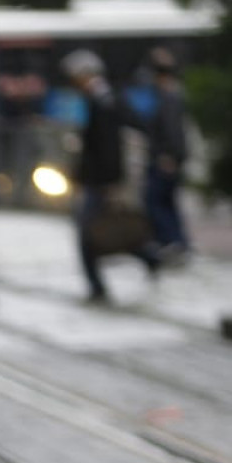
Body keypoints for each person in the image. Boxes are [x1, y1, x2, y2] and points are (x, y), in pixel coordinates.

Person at [62, 48, 159, 303]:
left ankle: (100, 285)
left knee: (90, 233)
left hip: (103, 181)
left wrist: (111, 181)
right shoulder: (103, 98)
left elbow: (108, 146)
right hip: (101, 179)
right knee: (105, 229)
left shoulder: (104, 100)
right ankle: (147, 257)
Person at [143, 48, 192, 260]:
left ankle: (172, 240)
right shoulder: (171, 94)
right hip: (167, 157)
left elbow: (172, 129)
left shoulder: (168, 96)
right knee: (167, 201)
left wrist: (169, 155)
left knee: (156, 201)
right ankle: (178, 242)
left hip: (165, 159)